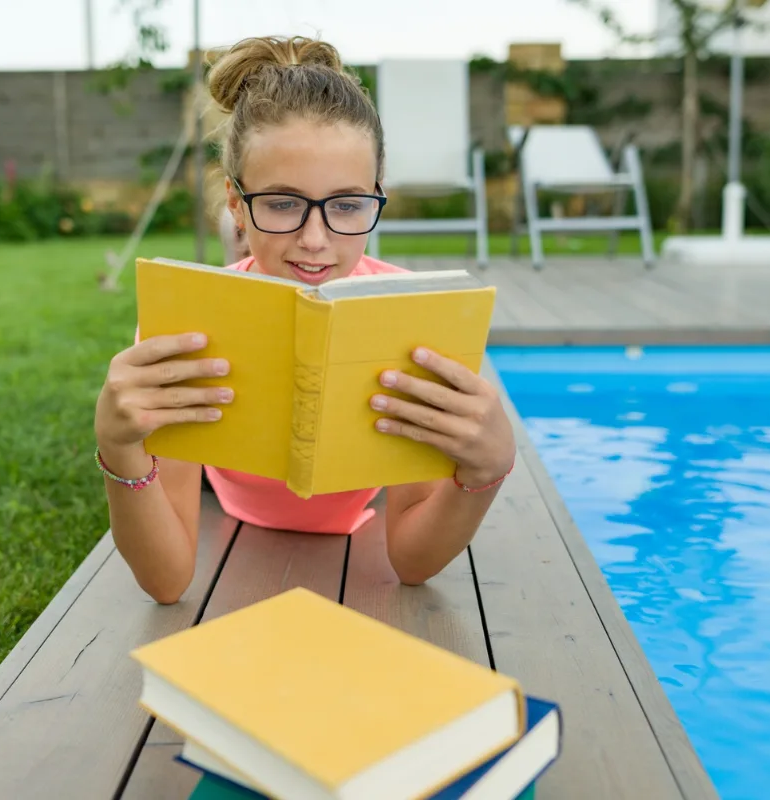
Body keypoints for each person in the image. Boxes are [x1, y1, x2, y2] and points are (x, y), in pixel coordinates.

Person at [93, 35, 516, 604]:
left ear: (376, 197)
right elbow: (166, 582)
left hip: (364, 508)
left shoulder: (409, 312)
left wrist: (485, 472)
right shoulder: (186, 320)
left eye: (346, 206)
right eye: (282, 203)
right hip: (234, 499)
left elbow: (413, 563)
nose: (315, 242)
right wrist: (118, 448)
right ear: (237, 205)